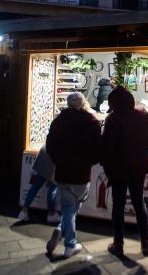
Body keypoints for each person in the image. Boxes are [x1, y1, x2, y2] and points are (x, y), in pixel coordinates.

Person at [45, 92, 102, 258]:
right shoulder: (91, 122)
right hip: (82, 172)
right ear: (84, 103)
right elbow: (98, 148)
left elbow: (50, 146)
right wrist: (90, 161)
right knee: (72, 208)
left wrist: (58, 160)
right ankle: (69, 245)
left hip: (62, 171)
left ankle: (60, 230)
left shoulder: (58, 121)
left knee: (69, 207)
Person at [103, 87, 148, 257]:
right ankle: (145, 242)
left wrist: (107, 165)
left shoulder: (113, 118)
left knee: (118, 206)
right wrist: (142, 150)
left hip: (119, 169)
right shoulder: (142, 115)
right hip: (138, 166)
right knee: (139, 203)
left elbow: (108, 147)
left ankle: (118, 244)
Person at [17, 145, 59, 224]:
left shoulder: (53, 133)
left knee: (35, 186)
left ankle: (23, 211)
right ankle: (51, 214)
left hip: (43, 156)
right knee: (52, 188)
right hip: (54, 160)